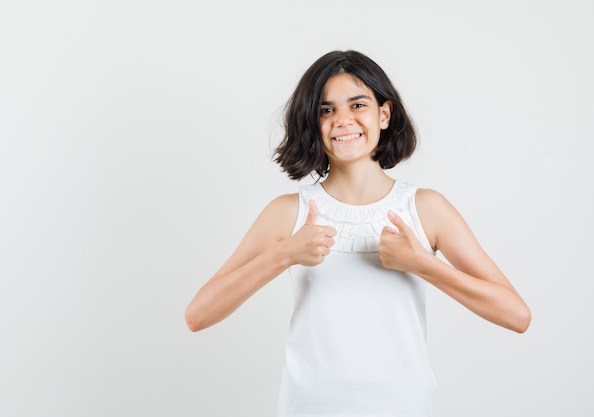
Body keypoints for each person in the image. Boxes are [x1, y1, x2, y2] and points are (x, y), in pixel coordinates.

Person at [185, 50, 531, 416]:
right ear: (311, 122)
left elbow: (516, 316)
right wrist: (284, 255)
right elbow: (198, 315)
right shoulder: (288, 213)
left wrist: (421, 264)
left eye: (357, 105)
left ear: (384, 114)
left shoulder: (426, 208)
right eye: (326, 110)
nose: (343, 121)